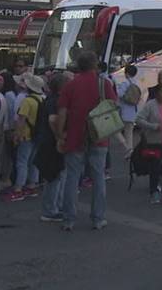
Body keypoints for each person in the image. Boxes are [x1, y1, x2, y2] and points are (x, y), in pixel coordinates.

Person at [57, 51, 117, 231]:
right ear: (95, 65)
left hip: (75, 136)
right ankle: (98, 219)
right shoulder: (104, 84)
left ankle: (69, 219)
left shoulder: (70, 85)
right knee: (98, 177)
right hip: (99, 136)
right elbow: (114, 106)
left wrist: (60, 134)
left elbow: (62, 112)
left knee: (72, 178)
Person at [36, 71, 71, 222]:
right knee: (55, 176)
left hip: (47, 141)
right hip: (52, 142)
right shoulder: (55, 101)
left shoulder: (50, 99)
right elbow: (52, 119)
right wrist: (59, 137)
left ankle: (56, 206)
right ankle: (50, 210)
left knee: (57, 175)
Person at [7, 73, 45, 201]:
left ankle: (18, 188)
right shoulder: (43, 99)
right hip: (39, 135)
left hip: (26, 135)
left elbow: (21, 119)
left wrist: (17, 134)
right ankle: (32, 185)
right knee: (34, 161)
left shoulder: (27, 101)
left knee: (22, 161)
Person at [115, 65, 140, 157]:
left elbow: (120, 94)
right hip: (133, 111)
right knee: (129, 133)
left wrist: (116, 88)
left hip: (124, 111)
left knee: (115, 130)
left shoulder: (125, 83)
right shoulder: (136, 83)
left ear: (126, 73)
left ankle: (127, 148)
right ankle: (130, 151)